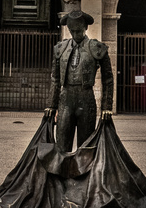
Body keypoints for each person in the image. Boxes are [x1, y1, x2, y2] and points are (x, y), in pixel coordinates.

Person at [47, 9, 114, 152]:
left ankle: (84, 174)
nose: (75, 34)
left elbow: (108, 78)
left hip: (86, 98)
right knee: (62, 144)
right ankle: (62, 173)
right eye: (72, 31)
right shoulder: (60, 48)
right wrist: (51, 105)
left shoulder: (97, 48)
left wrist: (106, 106)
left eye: (78, 31)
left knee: (86, 147)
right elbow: (55, 78)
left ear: (85, 28)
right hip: (66, 98)